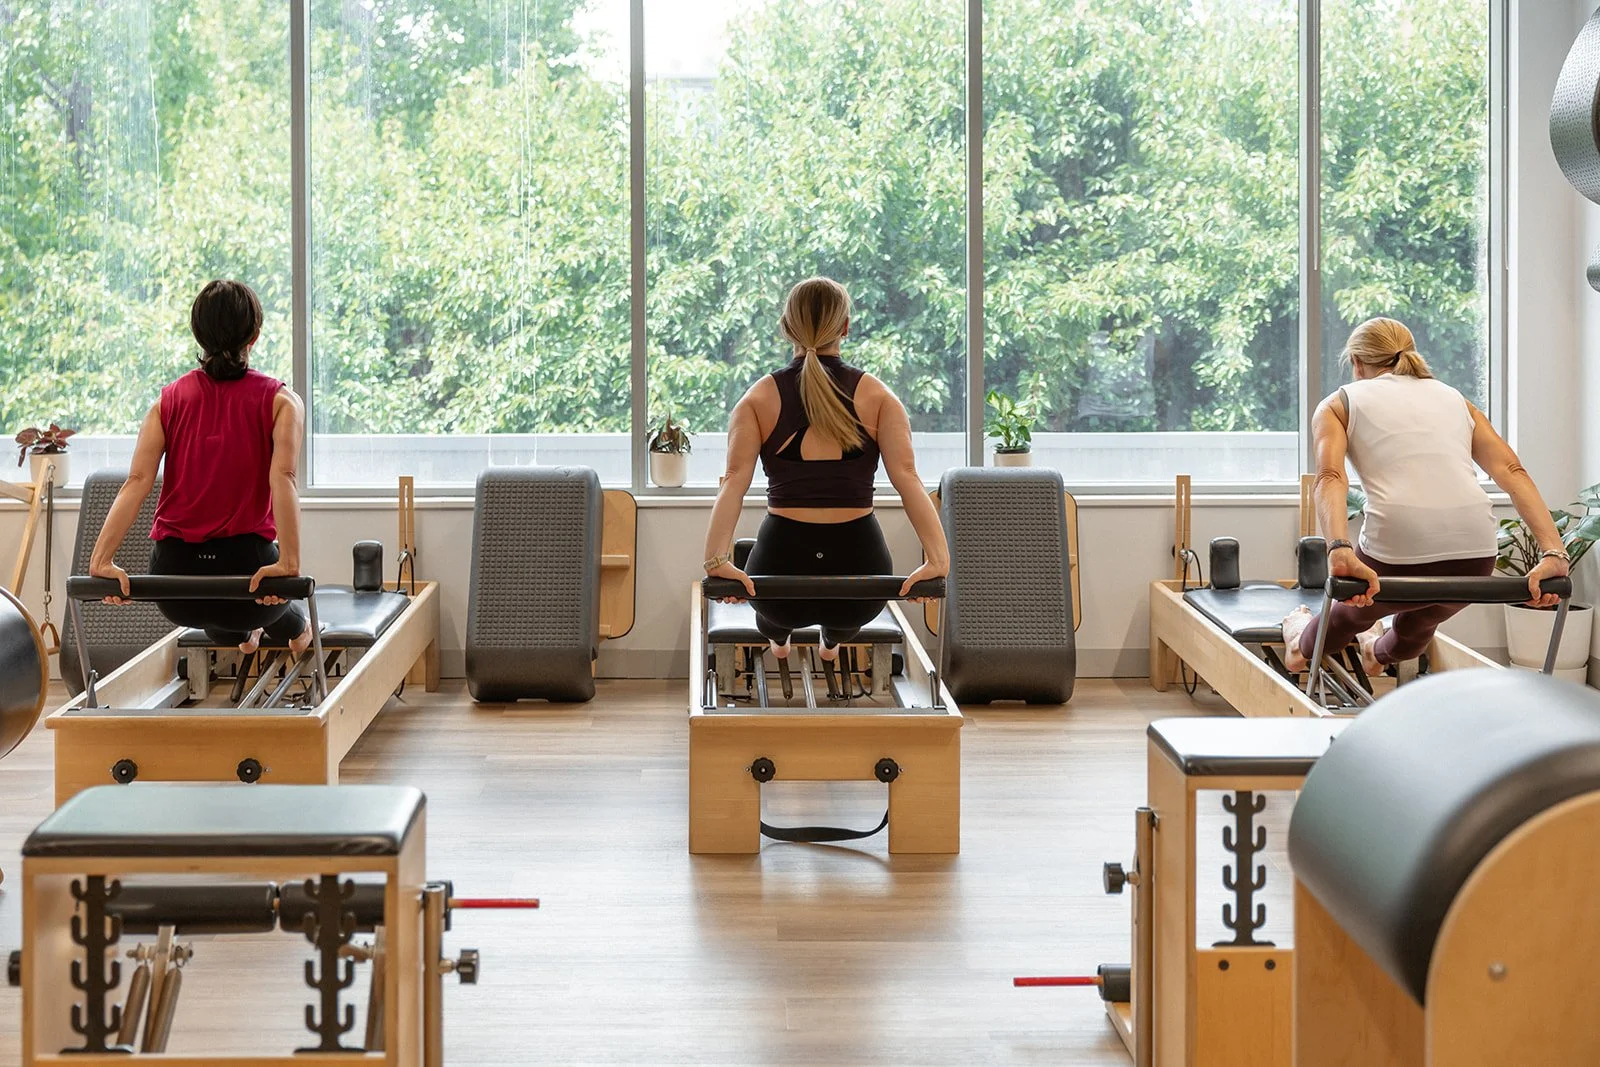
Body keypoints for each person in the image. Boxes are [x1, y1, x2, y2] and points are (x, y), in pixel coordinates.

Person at [1283, 316, 1568, 674]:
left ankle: (1297, 641)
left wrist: (1338, 548)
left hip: (1395, 554)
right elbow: (1513, 472)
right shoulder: (1455, 399)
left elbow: (1330, 475)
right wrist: (1554, 552)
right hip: (1476, 555)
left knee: (1344, 619)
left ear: (1356, 363)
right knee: (1418, 622)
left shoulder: (1339, 403)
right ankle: (1377, 653)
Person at [702, 276, 949, 661]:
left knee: (771, 616)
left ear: (786, 329)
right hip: (859, 577)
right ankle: (832, 643)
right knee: (847, 618)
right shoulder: (879, 397)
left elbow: (733, 483)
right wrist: (938, 561)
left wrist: (717, 562)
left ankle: (777, 639)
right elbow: (909, 480)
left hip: (779, 573)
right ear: (846, 327)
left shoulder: (758, 399)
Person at [89, 280, 315, 656]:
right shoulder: (282, 402)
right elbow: (284, 479)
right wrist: (289, 565)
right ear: (254, 336)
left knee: (225, 621)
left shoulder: (167, 401)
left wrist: (101, 562)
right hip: (247, 577)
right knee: (251, 608)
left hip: (174, 587)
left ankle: (248, 635)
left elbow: (138, 481)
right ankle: (298, 626)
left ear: (198, 335)